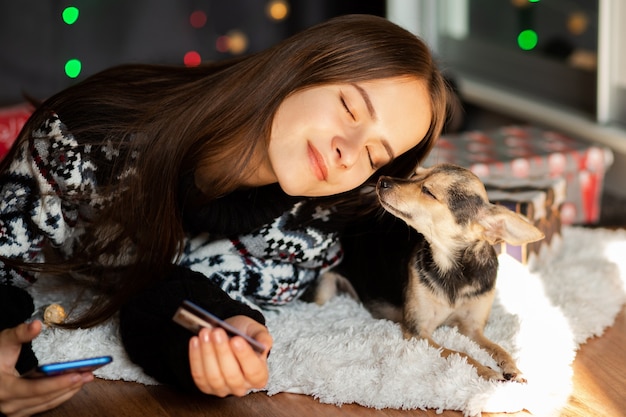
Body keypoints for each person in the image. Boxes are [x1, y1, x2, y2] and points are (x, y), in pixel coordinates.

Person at [0, 14, 448, 416]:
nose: (348, 153)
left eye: (374, 156)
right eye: (350, 108)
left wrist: (225, 331)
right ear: (297, 68)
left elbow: (160, 291)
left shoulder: (310, 231)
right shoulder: (87, 136)